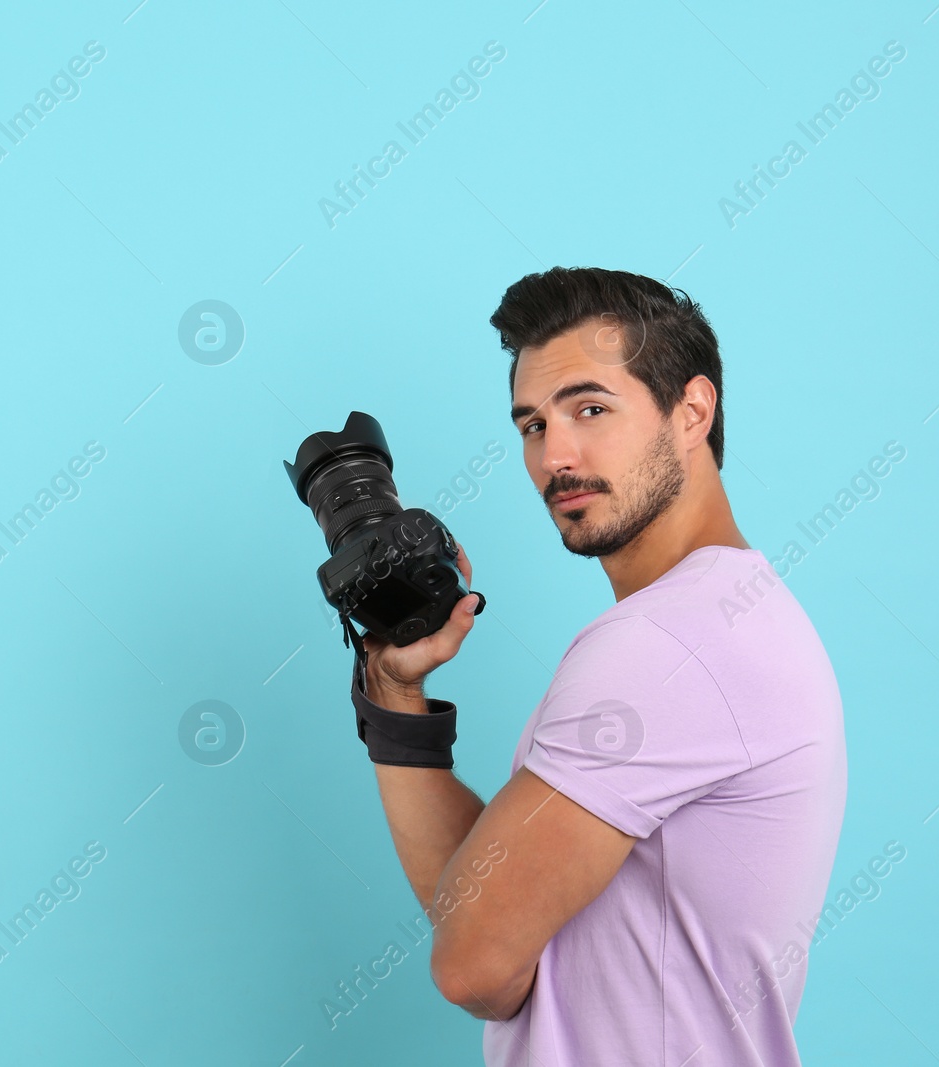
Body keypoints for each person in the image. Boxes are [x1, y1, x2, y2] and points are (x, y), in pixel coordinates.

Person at [351, 266, 848, 1066]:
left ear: (692, 409)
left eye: (590, 408)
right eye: (532, 425)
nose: (558, 454)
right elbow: (482, 905)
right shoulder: (735, 609)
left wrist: (482, 946)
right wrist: (396, 695)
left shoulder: (668, 644)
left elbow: (475, 966)